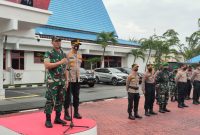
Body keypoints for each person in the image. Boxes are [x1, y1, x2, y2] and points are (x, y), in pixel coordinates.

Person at [43, 36, 67, 128]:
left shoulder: (63, 54)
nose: (58, 43)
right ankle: (48, 120)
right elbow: (47, 65)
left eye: (59, 41)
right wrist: (60, 62)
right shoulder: (49, 53)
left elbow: (65, 69)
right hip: (52, 81)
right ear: (52, 43)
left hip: (61, 81)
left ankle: (57, 118)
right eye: (56, 41)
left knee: (60, 100)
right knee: (50, 100)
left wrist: (67, 80)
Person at [64, 39, 83, 120]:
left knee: (76, 97)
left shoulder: (80, 54)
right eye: (76, 44)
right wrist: (67, 80)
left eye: (78, 45)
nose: (77, 46)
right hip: (69, 80)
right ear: (72, 45)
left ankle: (76, 112)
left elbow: (78, 67)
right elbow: (65, 68)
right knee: (67, 97)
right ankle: (66, 113)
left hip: (77, 80)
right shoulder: (67, 54)